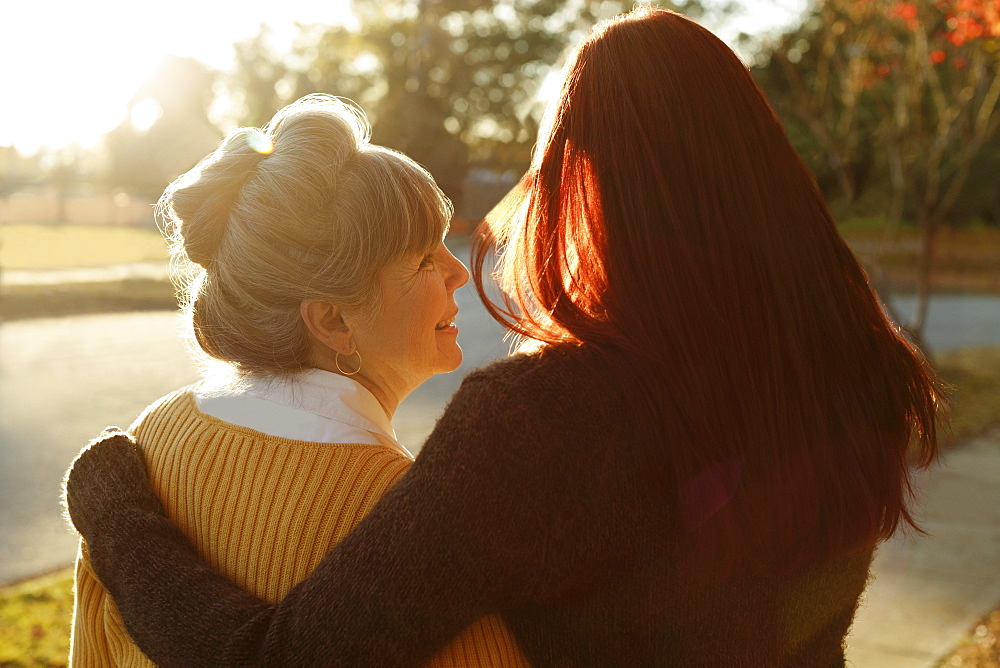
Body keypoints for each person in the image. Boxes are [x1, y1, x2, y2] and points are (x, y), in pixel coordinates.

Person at [65, 8, 942, 666]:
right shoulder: (866, 379)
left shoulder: (544, 426)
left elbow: (280, 659)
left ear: (590, 187)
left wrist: (120, 517)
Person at [67, 95, 527, 666]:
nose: (459, 271)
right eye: (422, 260)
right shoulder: (404, 533)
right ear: (333, 319)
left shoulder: (151, 438)